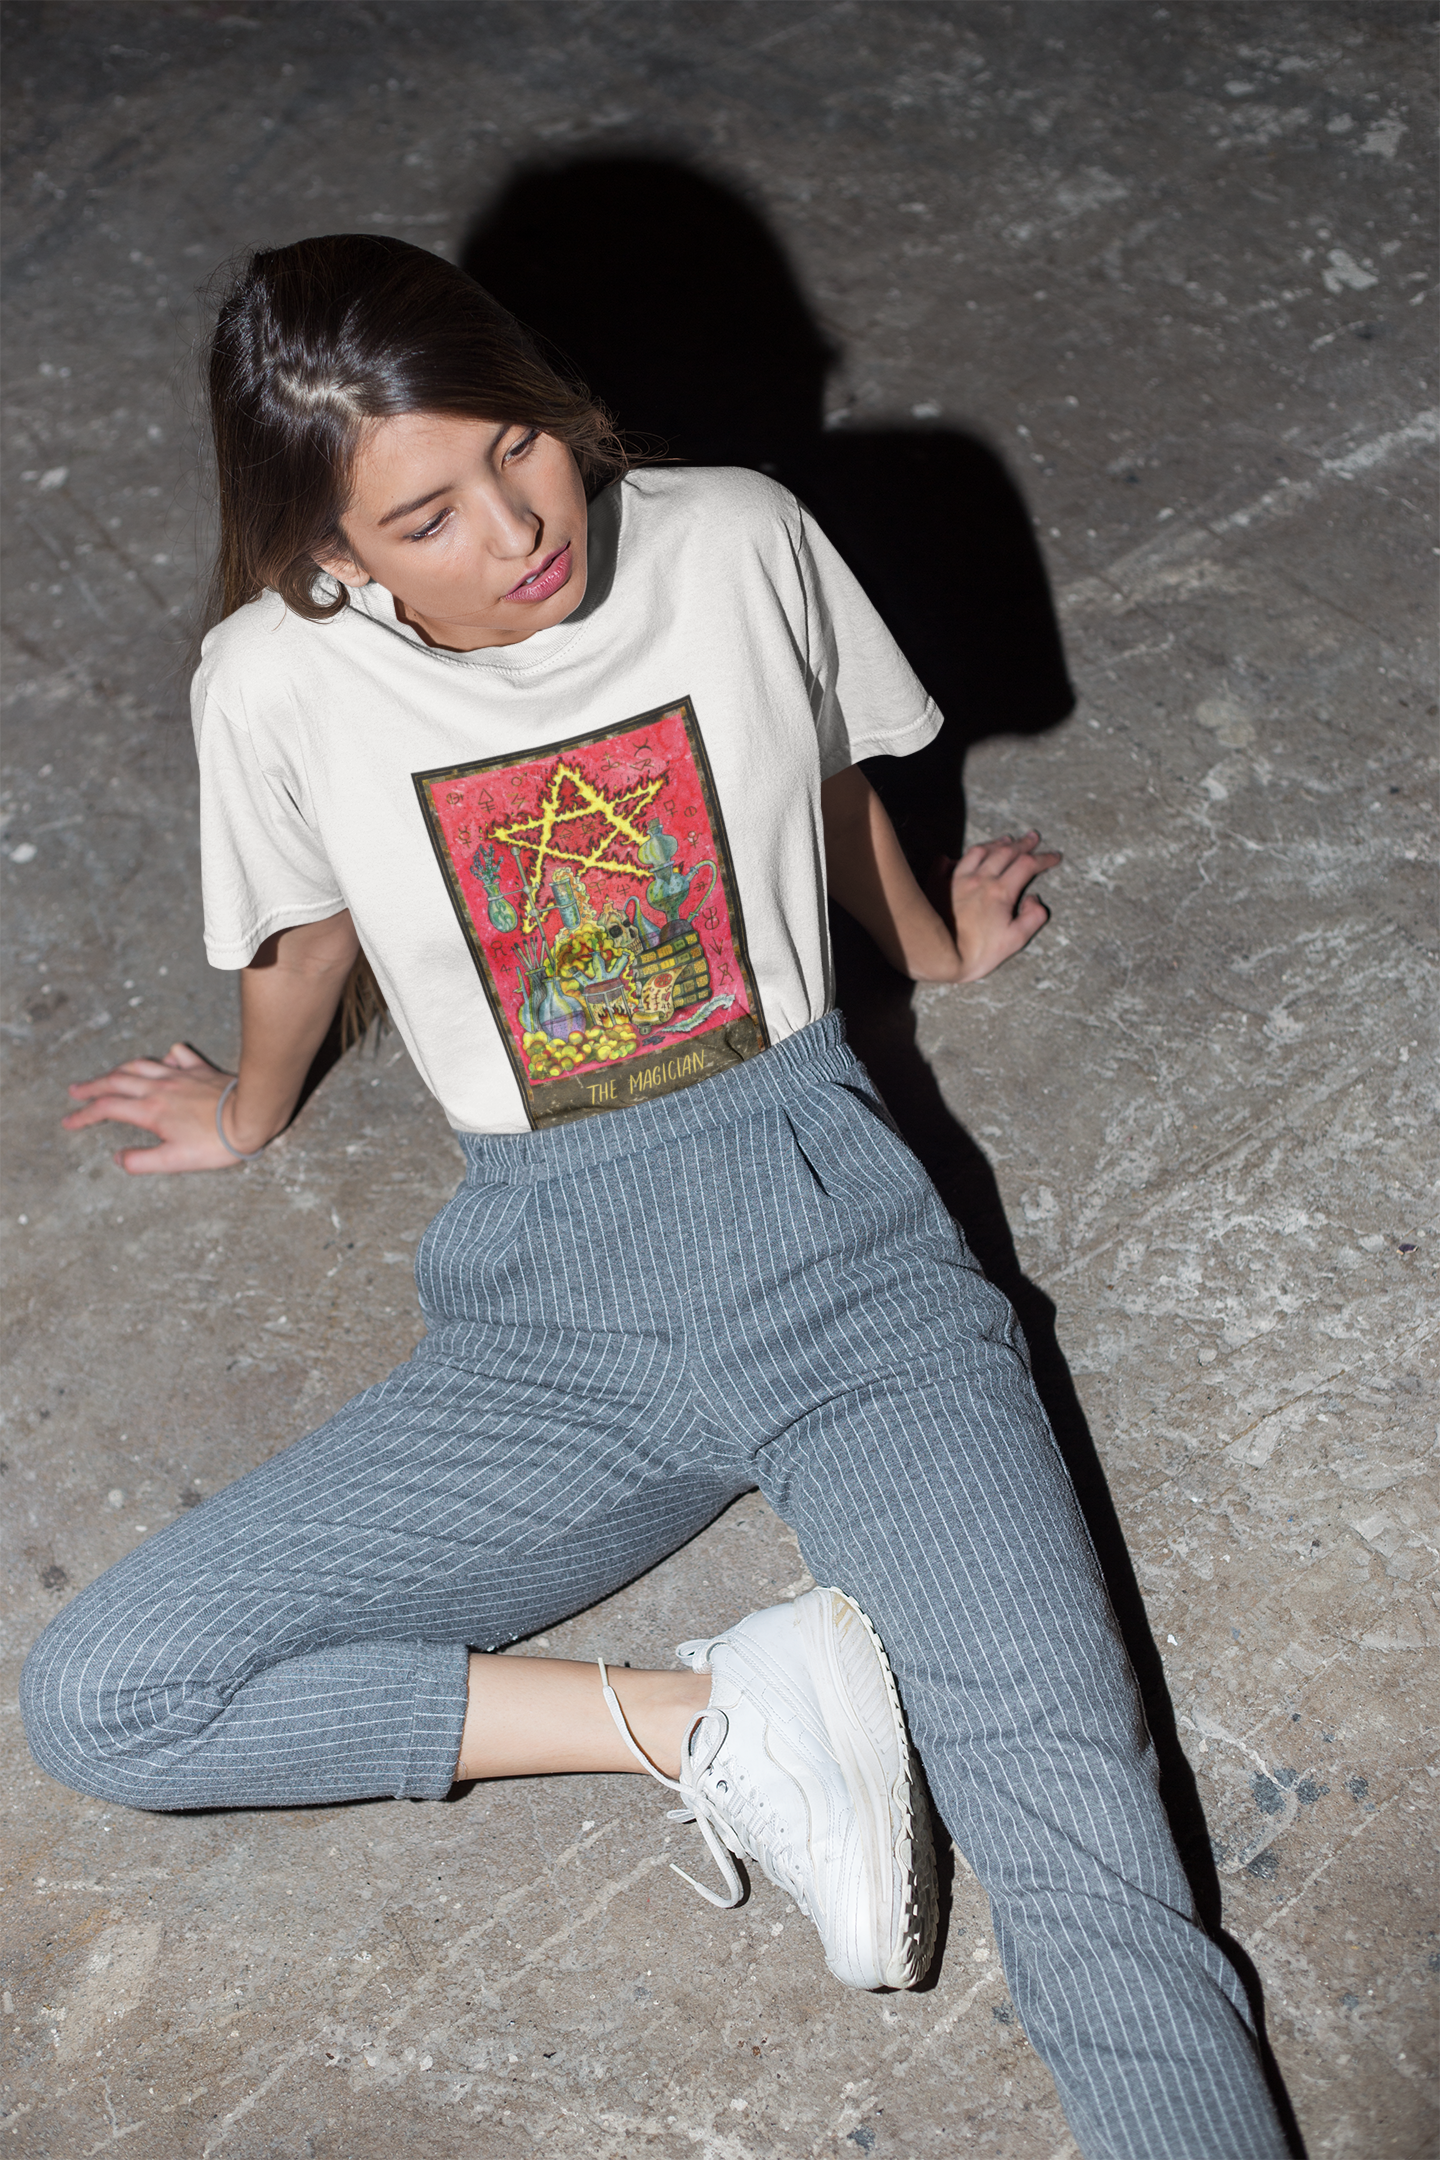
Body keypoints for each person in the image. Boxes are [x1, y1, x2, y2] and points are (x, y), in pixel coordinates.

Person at [20, 235, 1287, 2160]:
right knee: (110, 1702)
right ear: (333, 550)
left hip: (841, 1258)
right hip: (548, 1318)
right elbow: (298, 936)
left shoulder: (729, 535)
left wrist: (929, 945)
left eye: (519, 445)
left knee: (1086, 1834)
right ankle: (708, 1721)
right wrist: (251, 1110)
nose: (521, 525)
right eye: (428, 514)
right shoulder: (273, 679)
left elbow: (820, 760)